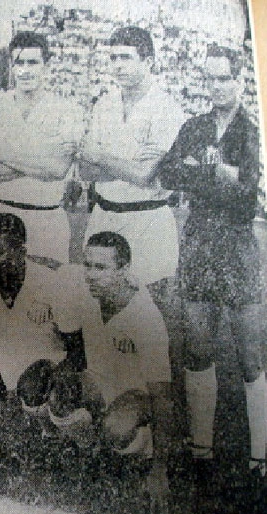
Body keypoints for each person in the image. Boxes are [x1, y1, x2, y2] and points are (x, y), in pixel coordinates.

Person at [158, 45, 266, 484]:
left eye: (225, 78)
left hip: (237, 245)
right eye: (211, 79)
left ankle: (261, 456)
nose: (217, 86)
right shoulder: (195, 125)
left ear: (240, 80)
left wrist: (205, 172)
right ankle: (200, 449)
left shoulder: (252, 131)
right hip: (201, 241)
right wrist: (220, 172)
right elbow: (168, 172)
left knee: (249, 353)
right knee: (198, 345)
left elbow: (247, 195)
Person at [22, 231, 174, 513]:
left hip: (134, 395)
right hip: (95, 381)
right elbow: (54, 268)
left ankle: (140, 456)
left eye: (101, 268)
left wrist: (160, 470)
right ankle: (86, 450)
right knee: (54, 386)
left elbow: (162, 398)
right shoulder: (84, 284)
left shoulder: (145, 317)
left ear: (124, 270)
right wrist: (43, 303)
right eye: (88, 264)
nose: (91, 274)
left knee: (116, 427)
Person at [78, 26, 185, 288]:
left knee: (149, 310)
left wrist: (101, 156)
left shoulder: (166, 108)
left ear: (148, 61)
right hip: (103, 215)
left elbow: (144, 175)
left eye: (125, 57)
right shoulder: (104, 104)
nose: (117, 65)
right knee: (96, 305)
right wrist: (130, 164)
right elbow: (85, 170)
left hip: (147, 219)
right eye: (113, 58)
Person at [0, 213, 82, 427]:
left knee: (33, 387)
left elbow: (76, 348)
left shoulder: (51, 282)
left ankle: (47, 425)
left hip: (43, 364)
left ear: (21, 252)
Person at [0, 32, 84, 265]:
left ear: (47, 65)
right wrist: (39, 158)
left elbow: (56, 169)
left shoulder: (68, 110)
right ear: (11, 66)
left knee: (45, 298)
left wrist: (1, 154)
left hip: (46, 218)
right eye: (19, 63)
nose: (25, 70)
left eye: (32, 62)